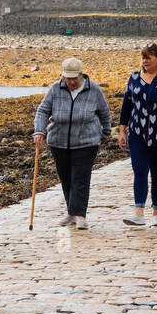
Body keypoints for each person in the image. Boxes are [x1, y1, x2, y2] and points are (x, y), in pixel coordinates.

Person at [34, 57, 112, 232]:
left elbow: (105, 113)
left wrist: (106, 132)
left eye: (73, 79)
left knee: (80, 177)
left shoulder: (94, 90)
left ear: (81, 75)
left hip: (87, 141)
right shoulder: (55, 89)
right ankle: (71, 213)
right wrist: (39, 130)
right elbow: (43, 110)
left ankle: (80, 215)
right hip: (58, 142)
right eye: (67, 78)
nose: (70, 82)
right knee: (66, 177)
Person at [118, 42, 157, 228]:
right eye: (143, 57)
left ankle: (156, 213)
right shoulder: (134, 78)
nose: (145, 61)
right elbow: (126, 106)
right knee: (139, 170)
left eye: (149, 57)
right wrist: (122, 131)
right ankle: (138, 212)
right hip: (138, 132)